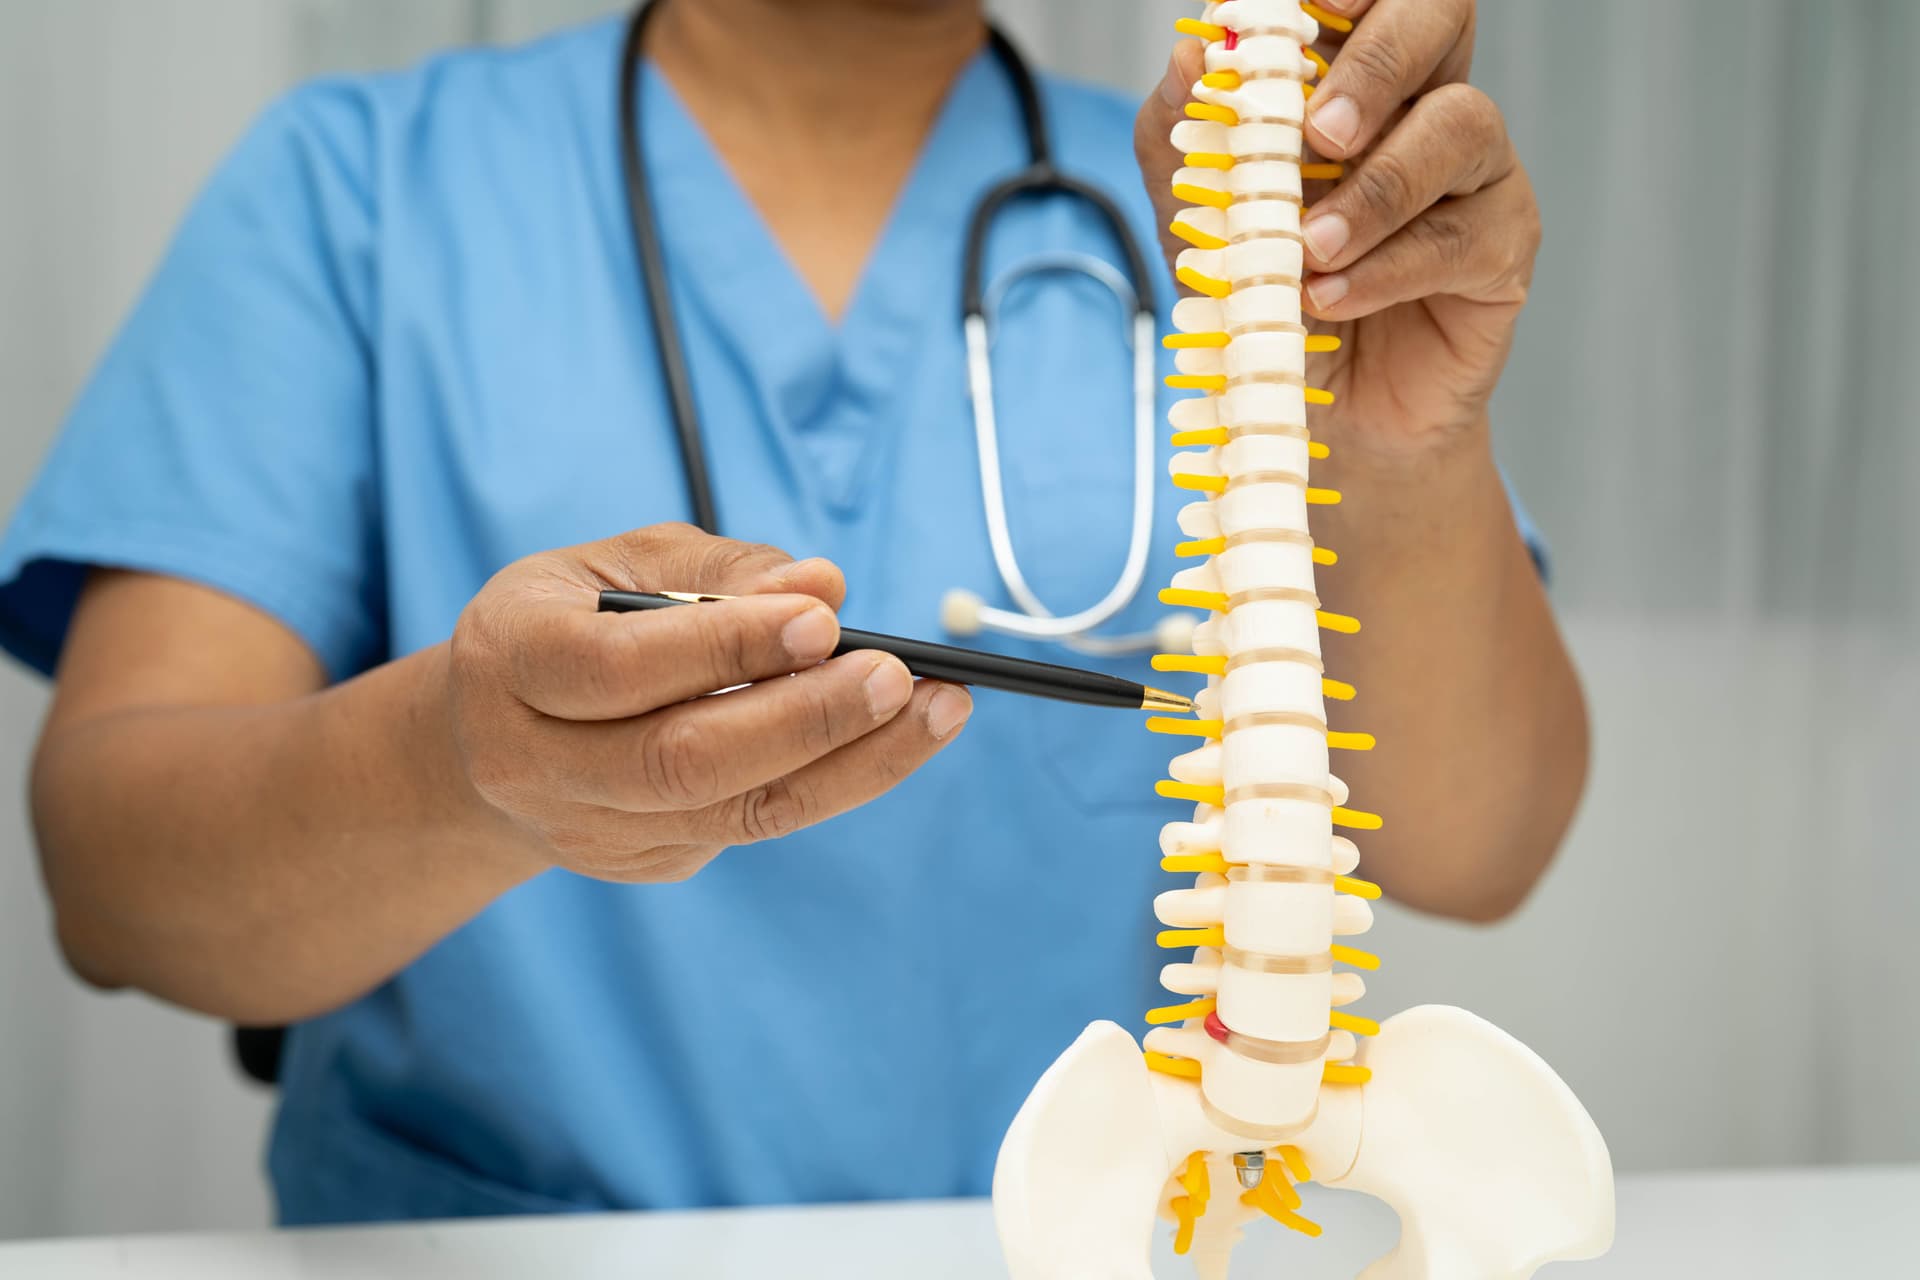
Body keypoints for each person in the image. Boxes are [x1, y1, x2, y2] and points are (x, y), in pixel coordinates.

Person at [0, 0, 1586, 1223]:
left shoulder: (1261, 222)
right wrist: (463, 765)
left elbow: (1480, 847)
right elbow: (115, 886)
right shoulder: (358, 192)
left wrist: (1402, 451)